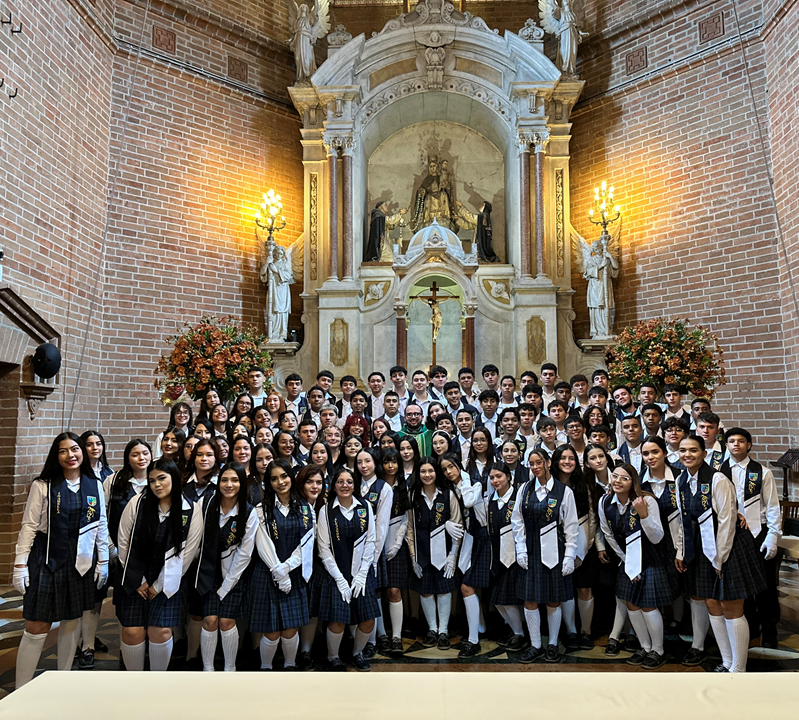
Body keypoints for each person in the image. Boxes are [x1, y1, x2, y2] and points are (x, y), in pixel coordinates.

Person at [13, 433, 109, 688]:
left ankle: (63, 682)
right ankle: (21, 687)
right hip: (47, 557)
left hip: (81, 559)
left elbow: (101, 523)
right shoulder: (43, 485)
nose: (71, 455)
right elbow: (29, 527)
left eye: (75, 449)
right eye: (63, 451)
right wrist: (20, 565)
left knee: (71, 620)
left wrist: (104, 560)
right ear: (56, 456)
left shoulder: (93, 483)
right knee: (37, 623)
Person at [676, 435, 766, 673]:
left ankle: (739, 667)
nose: (687, 455)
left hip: (728, 546)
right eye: (683, 450)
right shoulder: (681, 480)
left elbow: (727, 521)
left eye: (693, 450)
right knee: (711, 602)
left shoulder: (718, 479)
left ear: (704, 454)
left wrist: (720, 557)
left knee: (730, 606)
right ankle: (726, 661)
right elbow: (683, 519)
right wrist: (681, 550)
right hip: (702, 547)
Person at [116, 458, 203, 672]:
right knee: (132, 632)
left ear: (174, 477)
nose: (157, 485)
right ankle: (134, 682)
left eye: (162, 478)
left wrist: (159, 584)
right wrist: (139, 580)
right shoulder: (137, 503)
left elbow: (187, 554)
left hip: (169, 578)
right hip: (135, 576)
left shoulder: (191, 509)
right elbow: (123, 542)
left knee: (160, 631)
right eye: (152, 480)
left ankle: (156, 682)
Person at [598, 462, 678, 669]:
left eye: (624, 478)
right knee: (631, 603)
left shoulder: (647, 501)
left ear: (634, 482)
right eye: (615, 476)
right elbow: (608, 535)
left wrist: (643, 515)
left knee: (648, 604)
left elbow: (657, 537)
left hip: (651, 558)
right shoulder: (605, 501)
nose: (618, 481)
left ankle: (658, 650)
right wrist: (627, 561)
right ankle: (645, 646)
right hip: (627, 559)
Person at [511, 448, 578, 664]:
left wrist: (569, 555)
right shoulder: (524, 489)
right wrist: (520, 548)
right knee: (530, 600)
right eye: (531, 463)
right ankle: (535, 644)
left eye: (539, 462)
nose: (535, 467)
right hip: (530, 549)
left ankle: (552, 644)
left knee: (553, 600)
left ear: (548, 462)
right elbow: (517, 520)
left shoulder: (563, 491)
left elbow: (571, 526)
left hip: (554, 551)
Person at [250, 460, 315, 671]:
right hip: (268, 572)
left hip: (295, 573)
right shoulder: (261, 509)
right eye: (274, 478)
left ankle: (290, 666)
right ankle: (265, 668)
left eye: (284, 476)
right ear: (269, 483)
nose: (280, 482)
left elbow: (306, 544)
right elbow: (262, 543)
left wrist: (287, 568)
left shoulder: (306, 508)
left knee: (290, 629)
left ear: (291, 477)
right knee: (271, 630)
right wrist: (278, 571)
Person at [720, 428, 782, 649]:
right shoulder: (718, 471)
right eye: (731, 441)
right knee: (740, 586)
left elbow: (772, 506)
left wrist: (773, 535)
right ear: (725, 445)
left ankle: (770, 629)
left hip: (758, 533)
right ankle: (750, 627)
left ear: (749, 445)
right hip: (731, 535)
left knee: (765, 586)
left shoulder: (761, 472)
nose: (736, 444)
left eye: (741, 441)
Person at [194, 461, 256, 672]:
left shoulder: (249, 512)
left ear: (242, 483)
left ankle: (230, 669)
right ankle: (208, 669)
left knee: (227, 621)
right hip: (208, 574)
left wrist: (227, 584)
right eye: (224, 480)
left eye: (235, 480)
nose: (229, 485)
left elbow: (245, 554)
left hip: (235, 576)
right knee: (210, 619)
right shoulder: (206, 504)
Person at [317, 466, 380, 672]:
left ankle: (357, 653)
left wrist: (362, 574)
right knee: (338, 620)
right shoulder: (325, 510)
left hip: (361, 572)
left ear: (355, 485)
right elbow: (324, 549)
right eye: (340, 482)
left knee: (368, 619)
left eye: (349, 482)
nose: (345, 485)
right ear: (334, 485)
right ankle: (333, 656)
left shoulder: (365, 507)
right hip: (337, 573)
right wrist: (339, 579)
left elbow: (371, 539)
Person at [407, 458, 463, 650]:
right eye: (423, 471)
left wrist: (453, 557)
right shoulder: (413, 495)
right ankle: (432, 628)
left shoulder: (448, 495)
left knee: (444, 590)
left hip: (444, 554)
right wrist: (413, 557)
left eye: (431, 470)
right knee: (426, 590)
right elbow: (410, 529)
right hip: (422, 554)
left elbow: (457, 525)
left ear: (436, 473)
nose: (427, 475)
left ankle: (444, 631)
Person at [550, 445, 597, 651]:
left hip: (583, 543)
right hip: (555, 545)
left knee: (584, 587)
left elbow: (592, 517)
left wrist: (588, 544)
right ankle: (570, 631)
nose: (567, 462)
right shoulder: (549, 485)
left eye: (571, 458)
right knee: (565, 590)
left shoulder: (583, 484)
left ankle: (585, 631)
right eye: (563, 458)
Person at [355, 448, 393, 659]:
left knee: (373, 594)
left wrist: (373, 557)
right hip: (352, 551)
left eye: (367, 461)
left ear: (374, 462)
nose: (363, 466)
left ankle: (374, 640)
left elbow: (382, 526)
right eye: (359, 462)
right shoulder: (352, 484)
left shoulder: (383, 488)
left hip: (372, 553)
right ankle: (363, 639)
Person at [485, 463, 527, 651]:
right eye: (492, 478)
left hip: (516, 555)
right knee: (498, 600)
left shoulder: (519, 496)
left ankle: (520, 634)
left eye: (499, 476)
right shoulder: (491, 501)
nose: (495, 481)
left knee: (510, 600)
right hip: (498, 557)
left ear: (508, 476)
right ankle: (515, 630)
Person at [378, 449, 411, 656]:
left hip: (397, 542)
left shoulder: (404, 486)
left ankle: (396, 636)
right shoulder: (376, 486)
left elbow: (408, 515)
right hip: (375, 542)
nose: (390, 466)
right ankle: (381, 634)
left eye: (394, 462)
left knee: (394, 590)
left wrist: (398, 542)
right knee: (376, 591)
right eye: (386, 462)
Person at [295, 464, 326, 670]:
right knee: (297, 610)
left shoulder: (325, 506)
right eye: (309, 482)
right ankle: (292, 651)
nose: (314, 486)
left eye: (318, 482)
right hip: (295, 564)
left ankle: (306, 650)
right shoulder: (295, 506)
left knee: (312, 610)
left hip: (319, 563)